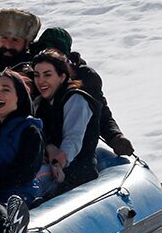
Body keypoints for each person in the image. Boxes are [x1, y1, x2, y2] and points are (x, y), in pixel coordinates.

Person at [32, 27, 135, 157]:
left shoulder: (84, 78)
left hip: (75, 152)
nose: (49, 56)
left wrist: (114, 135)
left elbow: (100, 112)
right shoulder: (34, 72)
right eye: (45, 50)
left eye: (56, 53)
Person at [32, 49, 101, 196]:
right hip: (50, 166)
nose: (40, 81)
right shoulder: (40, 104)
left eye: (47, 75)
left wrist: (59, 161)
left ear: (62, 77)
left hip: (77, 170)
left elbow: (73, 137)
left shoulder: (76, 100)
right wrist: (48, 148)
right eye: (37, 75)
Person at [0, 71, 45, 205]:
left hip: (17, 194)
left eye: (5, 90)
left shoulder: (30, 130)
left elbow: (23, 172)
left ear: (19, 96)